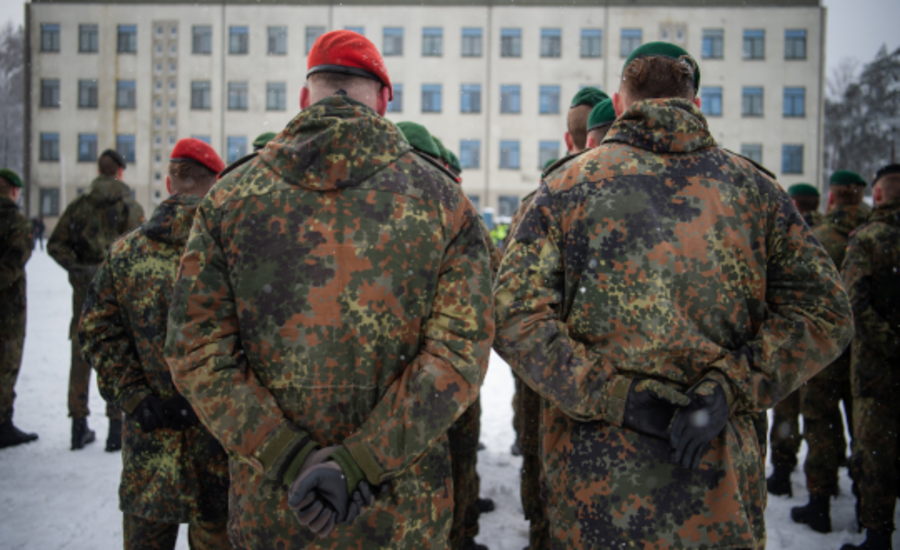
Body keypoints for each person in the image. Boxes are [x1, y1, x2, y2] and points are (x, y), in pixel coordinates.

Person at [493, 41, 853, 548]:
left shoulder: (565, 189)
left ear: (620, 104)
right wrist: (730, 387)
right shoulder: (757, 193)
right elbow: (827, 313)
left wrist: (616, 396)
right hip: (719, 489)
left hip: (597, 496)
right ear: (696, 104)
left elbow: (512, 318)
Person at [164, 30, 494, 549]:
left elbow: (196, 350)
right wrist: (361, 463)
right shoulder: (442, 202)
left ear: (304, 98)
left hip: (277, 509)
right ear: (386, 99)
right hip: (400, 514)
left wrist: (288, 456)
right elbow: (457, 355)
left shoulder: (230, 198)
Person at [79, 139, 229, 550]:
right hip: (220, 454)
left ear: (168, 183)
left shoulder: (125, 253)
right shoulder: (235, 253)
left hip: (150, 452)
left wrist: (137, 398)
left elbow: (95, 332)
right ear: (217, 185)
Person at [506, 87, 610, 550]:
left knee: (539, 458)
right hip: (616, 390)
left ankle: (539, 533)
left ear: (573, 142)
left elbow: (509, 303)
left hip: (545, 377)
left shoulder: (538, 202)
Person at [395, 120, 496, 550]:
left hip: (404, 393)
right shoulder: (450, 211)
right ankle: (458, 531)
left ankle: (460, 528)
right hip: (439, 384)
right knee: (446, 469)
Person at [48, 148, 144, 451]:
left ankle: (78, 425)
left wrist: (79, 270)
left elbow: (55, 244)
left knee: (81, 352)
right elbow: (140, 248)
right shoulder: (130, 206)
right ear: (119, 172)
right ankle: (116, 428)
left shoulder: (79, 207)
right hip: (118, 289)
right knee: (117, 350)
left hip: (85, 290)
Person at [791, 170, 871, 533]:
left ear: (833, 198)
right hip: (870, 354)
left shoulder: (816, 238)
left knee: (821, 423)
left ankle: (820, 502)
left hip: (824, 351)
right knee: (867, 430)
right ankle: (870, 507)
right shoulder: (878, 234)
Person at [840, 164, 900, 550]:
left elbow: (854, 306)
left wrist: (891, 343)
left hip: (877, 370)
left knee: (876, 451)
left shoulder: (868, 239)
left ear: (877, 195)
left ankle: (877, 535)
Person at [767, 181, 826, 496]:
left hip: (787, 342)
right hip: (827, 349)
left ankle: (782, 473)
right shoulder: (831, 236)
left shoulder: (787, 237)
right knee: (822, 418)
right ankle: (822, 487)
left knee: (787, 412)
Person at [0, 168, 38, 449]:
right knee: (6, 364)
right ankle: (2, 424)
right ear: (14, 191)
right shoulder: (16, 223)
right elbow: (13, 265)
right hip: (8, 309)